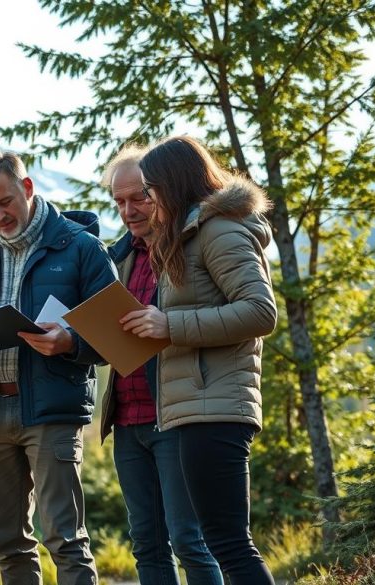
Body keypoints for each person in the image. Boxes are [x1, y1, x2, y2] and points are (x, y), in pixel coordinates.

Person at [0, 149, 117, 585]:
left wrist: (69, 341)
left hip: (51, 413)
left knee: (65, 540)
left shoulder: (82, 249)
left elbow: (118, 333)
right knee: (7, 544)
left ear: (27, 188)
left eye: (4, 202)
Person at [121, 135, 277, 584]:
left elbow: (260, 311)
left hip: (217, 404)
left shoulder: (219, 231)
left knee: (228, 544)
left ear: (173, 184)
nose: (146, 201)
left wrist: (170, 326)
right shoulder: (190, 234)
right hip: (196, 407)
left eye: (149, 190)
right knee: (223, 540)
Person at [98, 145, 223, 584]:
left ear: (161, 191)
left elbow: (232, 316)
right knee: (146, 544)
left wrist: (167, 324)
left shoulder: (190, 245)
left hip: (176, 414)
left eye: (139, 198)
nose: (128, 210)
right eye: (119, 201)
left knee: (190, 541)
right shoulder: (118, 258)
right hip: (128, 417)